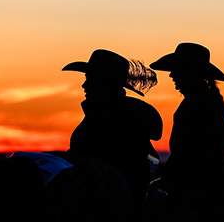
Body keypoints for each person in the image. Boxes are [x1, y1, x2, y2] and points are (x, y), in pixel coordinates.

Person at [62, 49, 163, 205]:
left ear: (105, 84)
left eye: (90, 79)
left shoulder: (120, 120)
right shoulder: (103, 113)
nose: (84, 85)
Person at [150, 43, 224, 211]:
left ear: (191, 72)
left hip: (197, 194)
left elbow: (194, 156)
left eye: (177, 70)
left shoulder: (199, 103)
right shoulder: (207, 100)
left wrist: (172, 178)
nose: (172, 75)